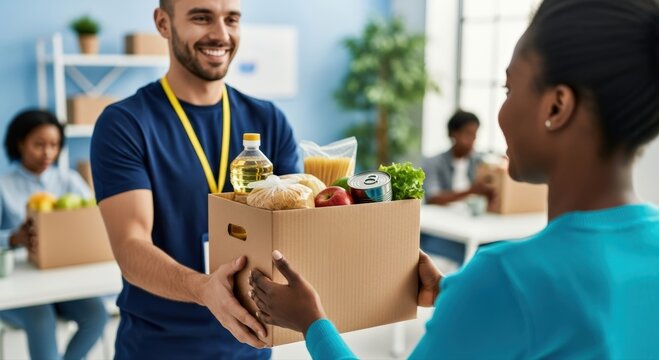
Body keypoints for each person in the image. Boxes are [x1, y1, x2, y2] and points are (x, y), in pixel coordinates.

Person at [248, 0, 659, 358]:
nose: (499, 114)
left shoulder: (505, 277)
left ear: (556, 106)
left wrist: (311, 322)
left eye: (509, 88)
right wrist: (458, 299)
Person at [90, 0, 300, 358]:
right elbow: (130, 245)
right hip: (158, 347)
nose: (220, 34)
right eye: (201, 18)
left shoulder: (269, 121)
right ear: (163, 23)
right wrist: (203, 288)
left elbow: (296, 227)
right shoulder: (125, 124)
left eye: (231, 19)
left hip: (250, 347)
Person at [0, 109, 108, 360]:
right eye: (39, 145)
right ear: (20, 143)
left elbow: (93, 219)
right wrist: (13, 239)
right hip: (21, 286)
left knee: (96, 314)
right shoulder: (4, 186)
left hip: (62, 281)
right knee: (41, 319)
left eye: (54, 145)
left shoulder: (69, 180)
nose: (48, 153)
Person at [422, 110, 491, 205]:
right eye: (468, 134)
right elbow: (432, 197)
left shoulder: (478, 160)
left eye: (474, 135)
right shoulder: (433, 163)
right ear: (453, 134)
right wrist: (470, 191)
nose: (473, 140)